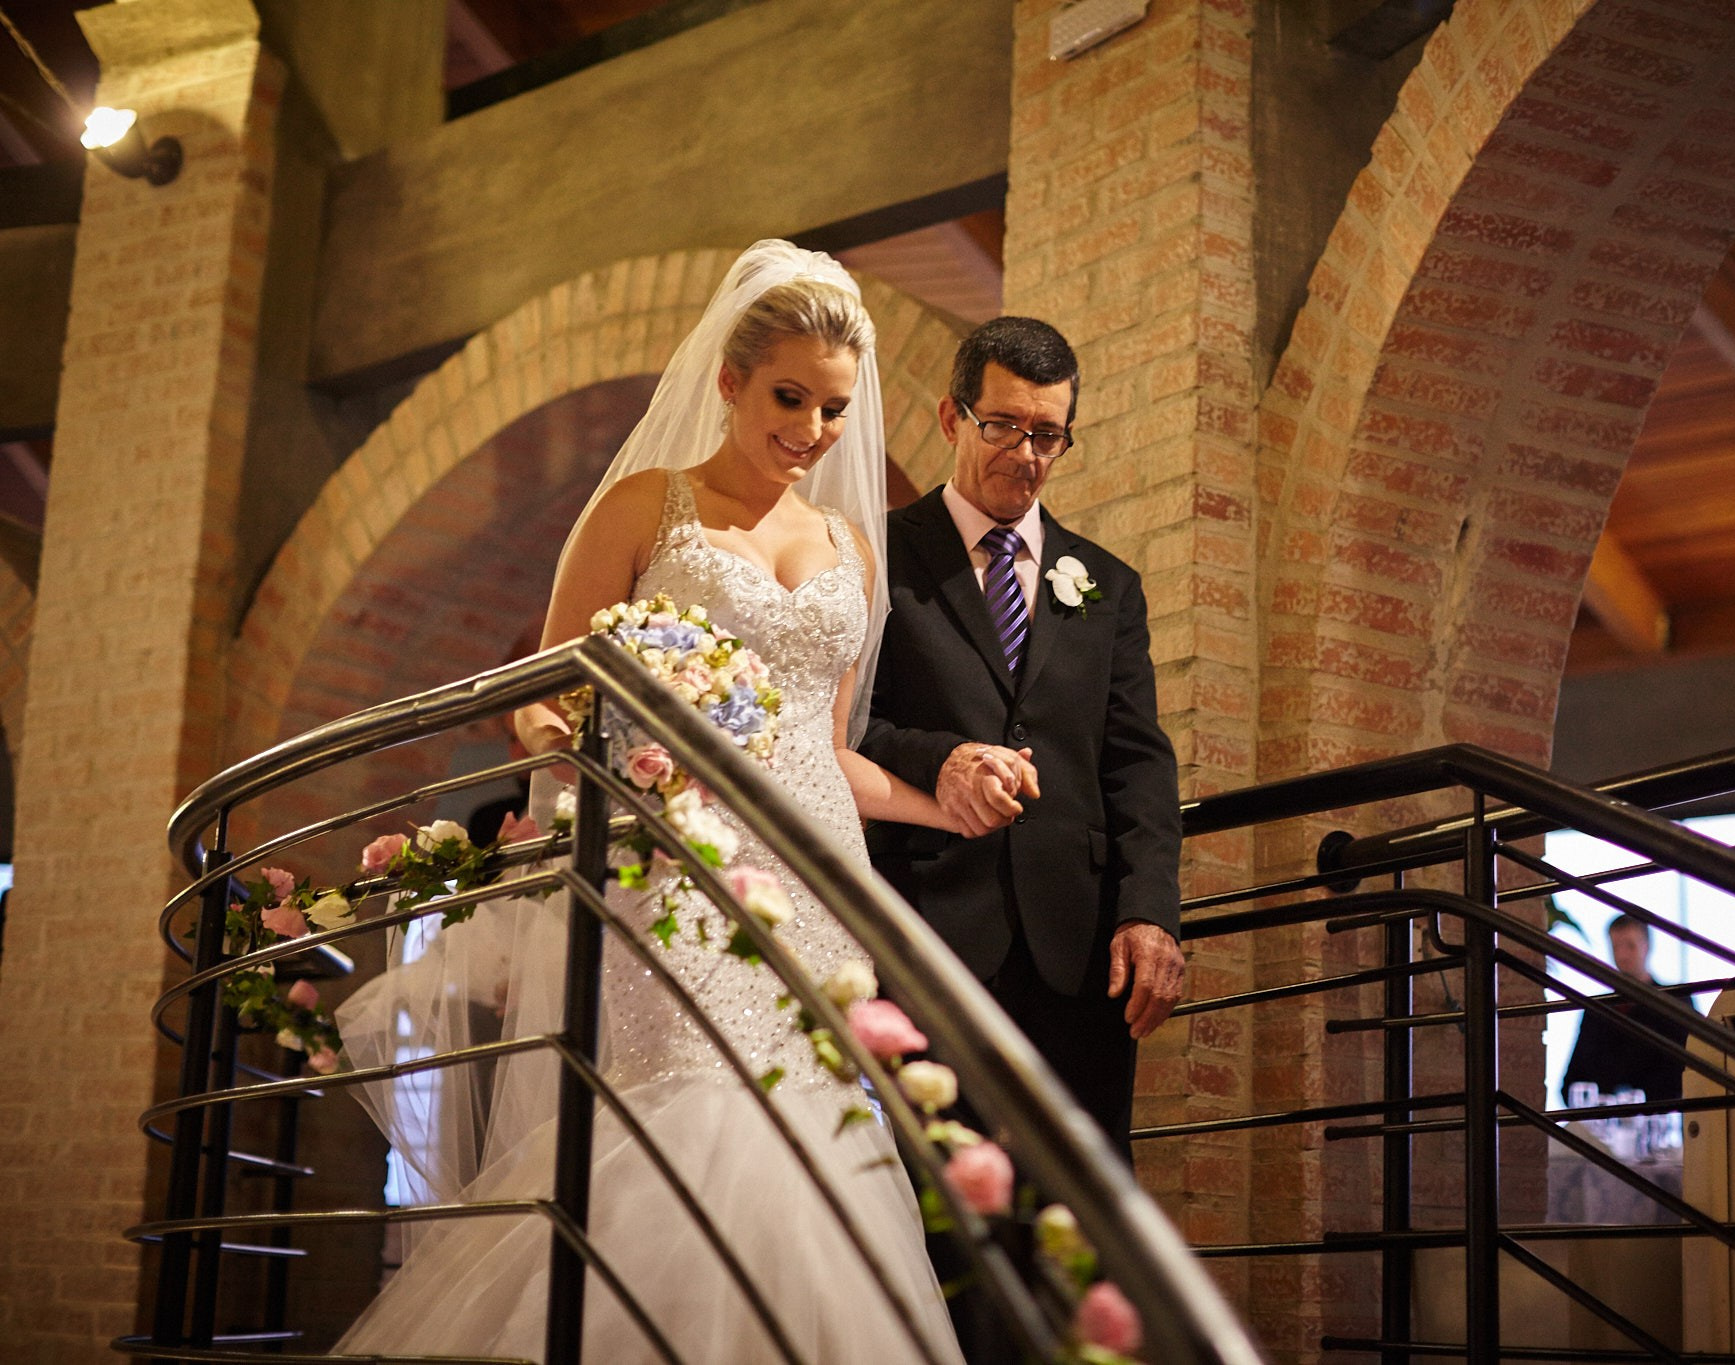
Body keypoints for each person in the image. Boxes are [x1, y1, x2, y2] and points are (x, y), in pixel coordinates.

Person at [333, 242, 966, 1363]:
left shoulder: (850, 552)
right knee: (688, 1109)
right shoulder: (644, 507)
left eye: (832, 408)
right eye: (788, 397)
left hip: (816, 883)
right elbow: (539, 706)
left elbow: (829, 756)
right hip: (671, 863)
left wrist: (945, 800)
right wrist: (612, 771)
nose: (811, 431)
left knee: (816, 1141)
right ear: (727, 380)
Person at [859, 317, 1185, 1157]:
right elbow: (853, 727)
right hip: (926, 933)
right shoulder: (876, 556)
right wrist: (945, 761)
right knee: (940, 1211)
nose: (1026, 454)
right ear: (950, 418)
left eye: (1048, 434)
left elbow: (1137, 762)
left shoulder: (1107, 585)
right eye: (1001, 426)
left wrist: (1149, 913)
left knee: (1077, 1223)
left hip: (1079, 959)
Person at [1562, 916, 1694, 1104]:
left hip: (1657, 1120)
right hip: (1605, 1122)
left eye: (1630, 946)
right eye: (1616, 947)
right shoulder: (1596, 1010)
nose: (1622, 955)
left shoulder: (1674, 1002)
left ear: (1647, 947)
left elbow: (1684, 1074)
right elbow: (1571, 1082)